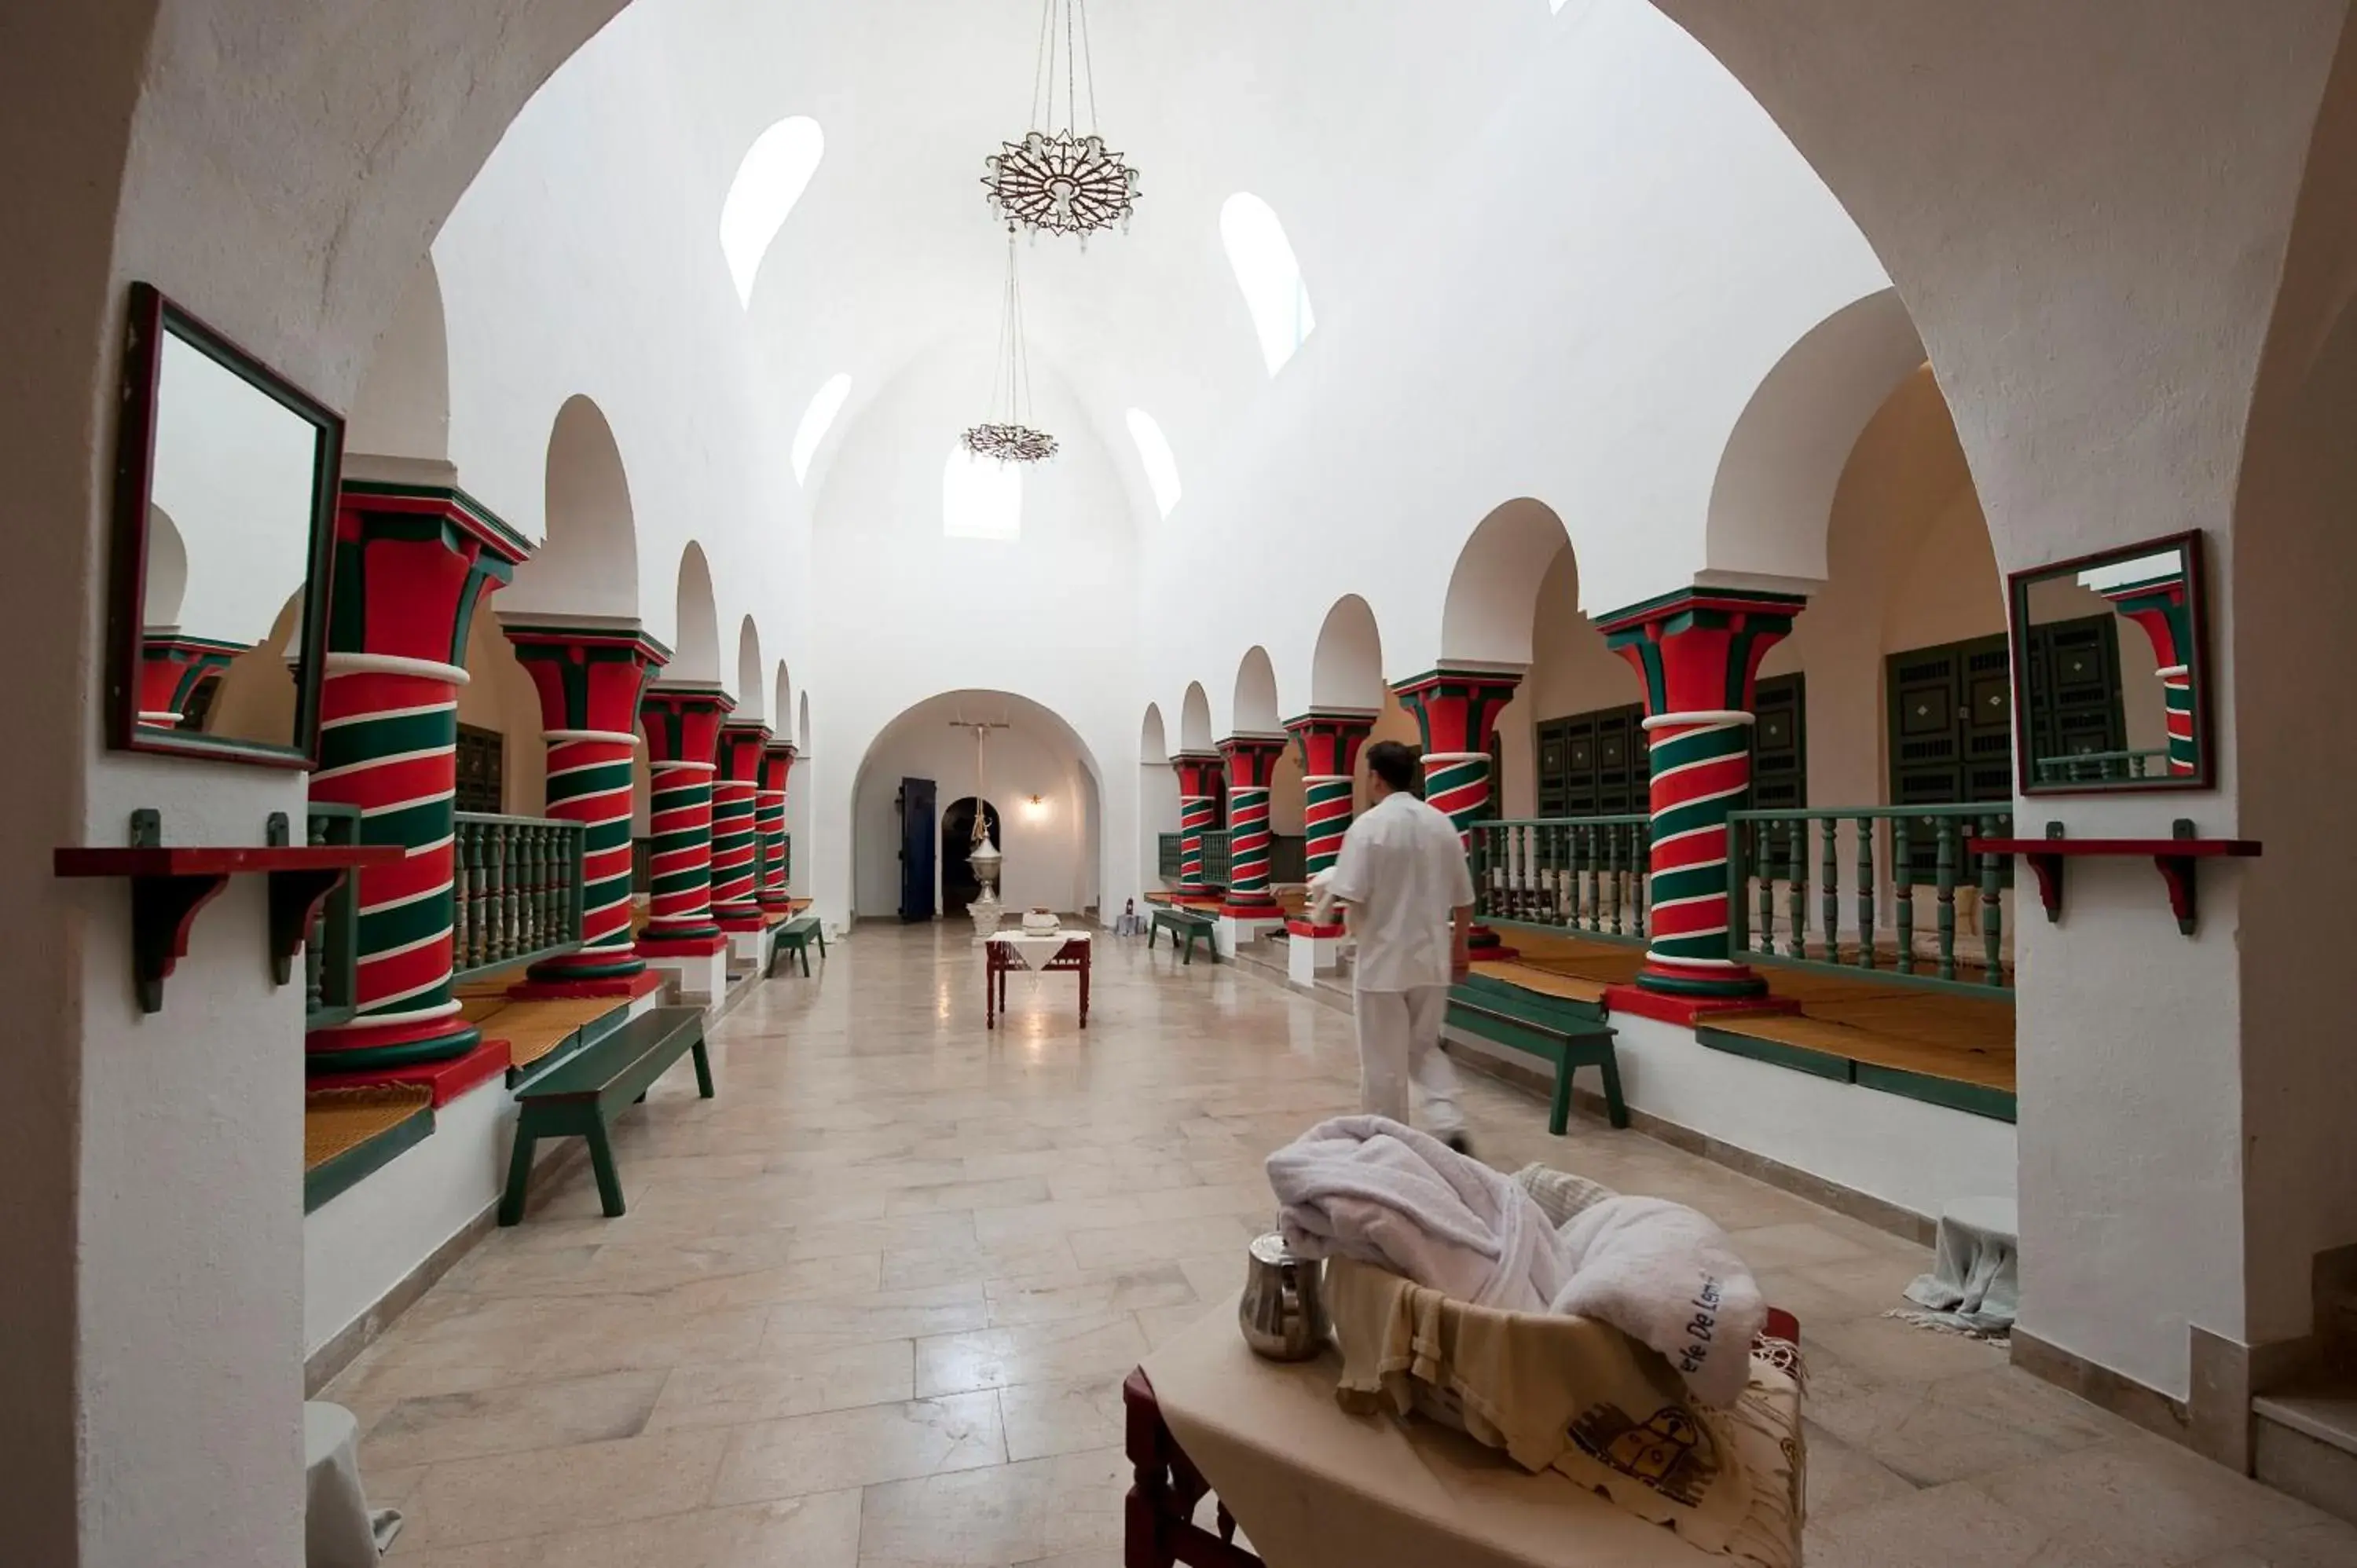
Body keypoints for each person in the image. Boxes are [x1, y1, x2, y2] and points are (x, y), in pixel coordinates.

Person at [1324, 738, 1477, 1155]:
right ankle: (1448, 1122)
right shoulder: (1440, 824)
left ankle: (1388, 1145)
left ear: (1375, 777)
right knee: (1424, 1047)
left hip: (1381, 965)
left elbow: (1351, 895)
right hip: (1430, 960)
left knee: (1382, 1062)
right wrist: (1460, 948)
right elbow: (1465, 900)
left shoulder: (1368, 828)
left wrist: (1334, 913)